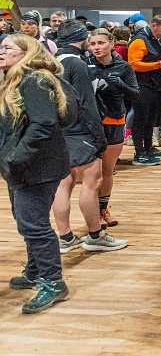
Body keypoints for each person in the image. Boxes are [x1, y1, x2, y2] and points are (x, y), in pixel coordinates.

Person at [0, 35, 74, 313]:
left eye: (7, 48)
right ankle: (34, 270)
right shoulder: (16, 79)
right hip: (23, 166)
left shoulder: (35, 81)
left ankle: (53, 282)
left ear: (26, 53)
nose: (1, 51)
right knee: (25, 220)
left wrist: (15, 158)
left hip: (36, 166)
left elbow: (44, 124)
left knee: (34, 224)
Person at [51, 20, 127, 253]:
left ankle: (65, 237)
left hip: (58, 129)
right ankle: (95, 235)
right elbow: (86, 103)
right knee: (92, 183)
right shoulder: (77, 64)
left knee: (64, 183)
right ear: (82, 38)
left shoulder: (52, 61)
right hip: (79, 130)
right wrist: (98, 135)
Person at [88, 28, 139, 229]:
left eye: (101, 43)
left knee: (107, 171)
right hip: (91, 124)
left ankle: (103, 210)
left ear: (111, 43)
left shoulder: (123, 67)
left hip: (114, 121)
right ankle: (94, 213)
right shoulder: (85, 65)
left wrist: (120, 85)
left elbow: (135, 95)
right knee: (93, 174)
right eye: (92, 44)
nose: (96, 47)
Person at [128, 15, 161, 166]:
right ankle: (139, 153)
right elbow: (133, 65)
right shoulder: (139, 41)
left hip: (153, 85)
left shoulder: (154, 39)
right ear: (153, 25)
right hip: (141, 86)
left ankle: (148, 148)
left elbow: (154, 59)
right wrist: (159, 65)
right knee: (140, 120)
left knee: (150, 119)